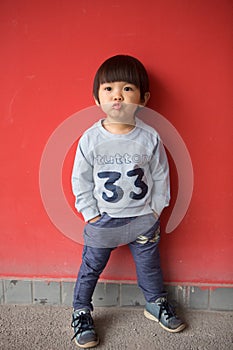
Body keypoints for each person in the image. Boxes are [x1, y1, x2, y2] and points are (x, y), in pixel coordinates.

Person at [71, 55, 186, 348]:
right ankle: (81, 311)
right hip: (104, 219)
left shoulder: (150, 137)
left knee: (149, 265)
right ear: (97, 97)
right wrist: (90, 213)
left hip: (142, 218)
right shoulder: (90, 139)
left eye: (127, 88)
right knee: (91, 267)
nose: (117, 95)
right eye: (108, 89)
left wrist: (156, 208)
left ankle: (155, 302)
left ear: (143, 98)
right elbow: (80, 179)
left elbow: (161, 175)